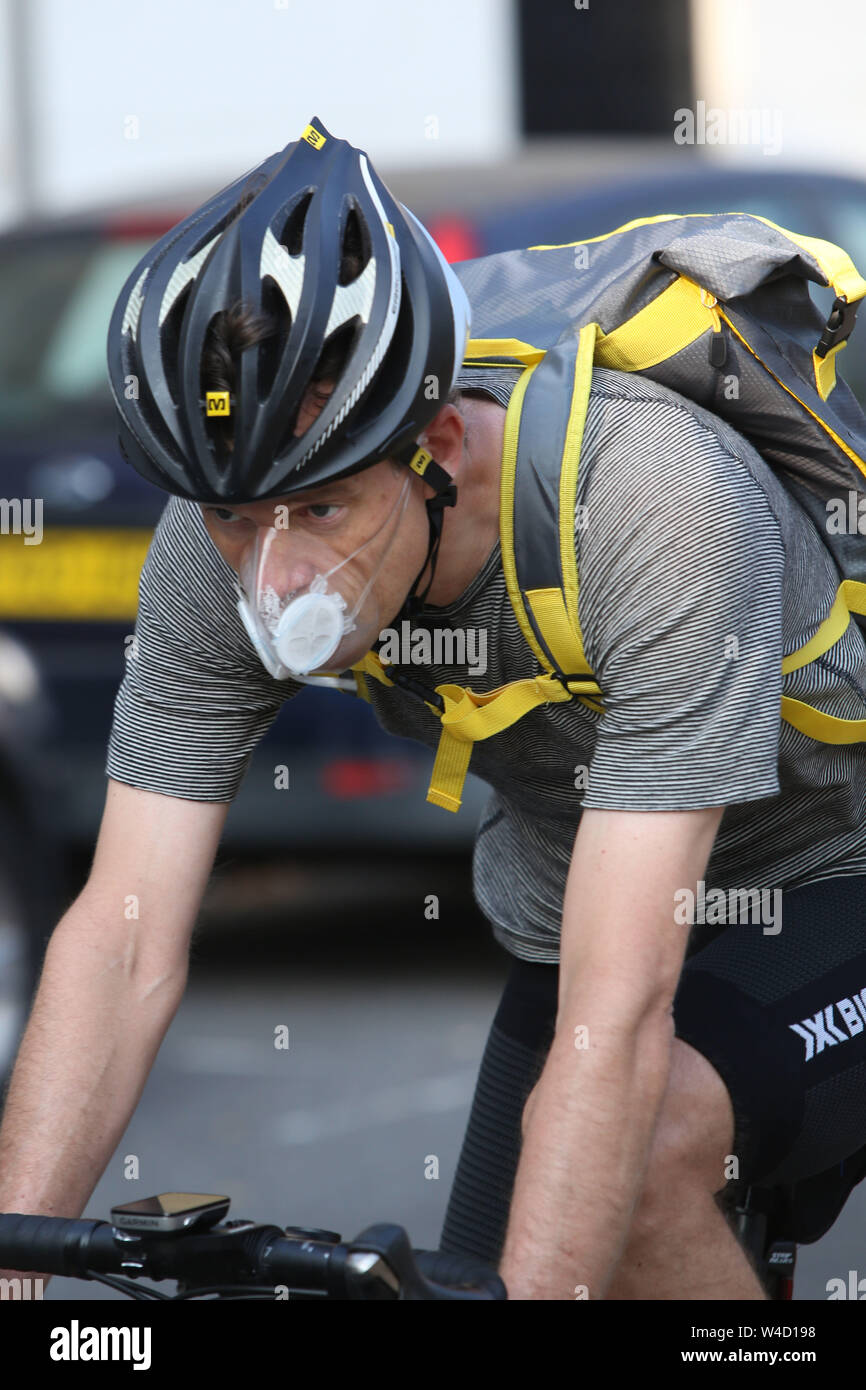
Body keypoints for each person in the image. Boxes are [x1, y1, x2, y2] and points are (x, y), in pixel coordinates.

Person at [2, 119, 866, 1301]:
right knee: (486, 1265)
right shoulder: (221, 530)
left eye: (320, 509)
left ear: (438, 446)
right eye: (235, 520)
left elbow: (614, 1027)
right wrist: (20, 1276)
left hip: (834, 866)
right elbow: (121, 936)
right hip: (581, 896)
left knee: (649, 1145)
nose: (275, 574)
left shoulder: (649, 502)